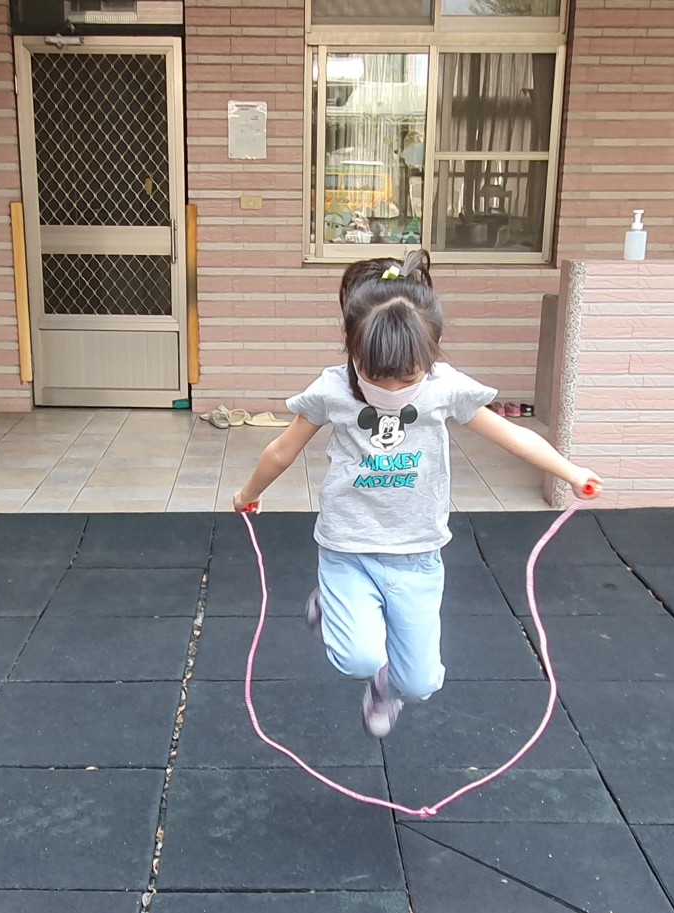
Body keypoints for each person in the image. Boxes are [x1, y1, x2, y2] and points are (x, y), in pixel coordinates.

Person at [233, 250, 602, 738]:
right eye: (374, 376)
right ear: (352, 349)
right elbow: (282, 449)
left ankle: (385, 688)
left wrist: (570, 471)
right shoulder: (332, 390)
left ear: (432, 353)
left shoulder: (444, 388)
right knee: (357, 656)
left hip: (417, 556)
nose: (391, 390)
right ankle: (333, 603)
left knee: (421, 683)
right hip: (348, 550)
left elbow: (514, 436)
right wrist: (248, 493)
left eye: (406, 378)